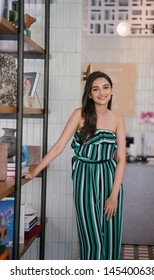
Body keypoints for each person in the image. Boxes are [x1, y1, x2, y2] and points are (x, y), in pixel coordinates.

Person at [23, 71, 126, 260]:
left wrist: (114, 195)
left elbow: (121, 159)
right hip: (84, 178)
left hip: (110, 179)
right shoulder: (80, 114)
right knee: (91, 236)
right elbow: (59, 147)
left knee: (111, 236)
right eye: (95, 89)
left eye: (106, 87)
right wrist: (35, 170)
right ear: (89, 94)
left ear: (111, 91)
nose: (101, 93)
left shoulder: (118, 120)